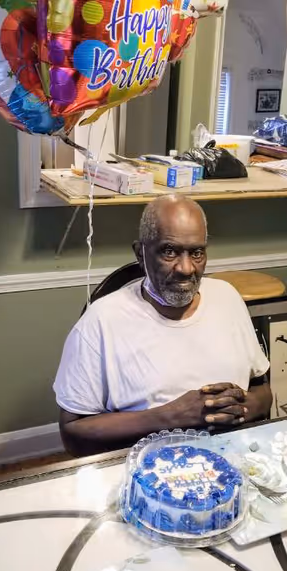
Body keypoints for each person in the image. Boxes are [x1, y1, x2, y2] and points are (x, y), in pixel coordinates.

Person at [53, 194, 272, 455]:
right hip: (147, 469)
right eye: (169, 252)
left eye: (197, 252)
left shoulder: (227, 297)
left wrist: (241, 408)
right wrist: (171, 417)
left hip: (232, 458)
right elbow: (73, 433)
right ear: (140, 253)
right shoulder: (101, 322)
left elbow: (264, 392)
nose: (186, 268)